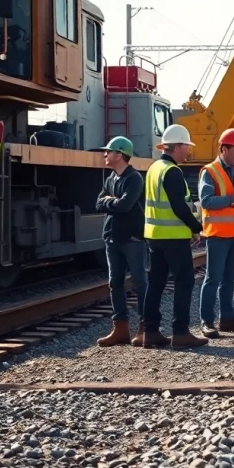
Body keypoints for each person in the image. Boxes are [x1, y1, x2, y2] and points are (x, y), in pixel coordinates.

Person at [141, 124, 208, 349]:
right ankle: (180, 333)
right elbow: (179, 206)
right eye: (186, 146)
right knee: (184, 281)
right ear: (177, 146)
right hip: (173, 237)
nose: (188, 151)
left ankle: (149, 332)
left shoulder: (153, 168)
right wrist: (196, 227)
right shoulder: (172, 171)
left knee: (156, 282)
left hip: (154, 235)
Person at [198, 128, 234, 338]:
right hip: (218, 234)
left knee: (229, 278)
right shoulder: (209, 172)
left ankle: (227, 319)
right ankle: (207, 322)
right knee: (212, 279)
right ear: (224, 149)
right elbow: (207, 201)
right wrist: (233, 197)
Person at [93, 136, 148, 347]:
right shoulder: (111, 178)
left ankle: (146, 327)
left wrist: (109, 201)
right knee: (115, 283)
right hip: (112, 237)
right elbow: (98, 203)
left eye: (108, 151)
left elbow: (126, 205)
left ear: (120, 154)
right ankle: (121, 329)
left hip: (132, 238)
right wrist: (111, 201)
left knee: (139, 282)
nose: (105, 155)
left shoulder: (134, 179)